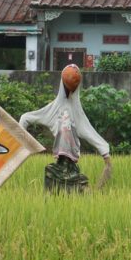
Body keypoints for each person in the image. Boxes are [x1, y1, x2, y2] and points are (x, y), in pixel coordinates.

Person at [20, 64, 112, 192]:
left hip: (72, 168)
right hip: (58, 166)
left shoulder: (78, 114)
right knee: (52, 188)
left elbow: (91, 133)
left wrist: (105, 154)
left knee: (81, 191)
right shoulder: (52, 110)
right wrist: (22, 146)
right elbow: (25, 118)